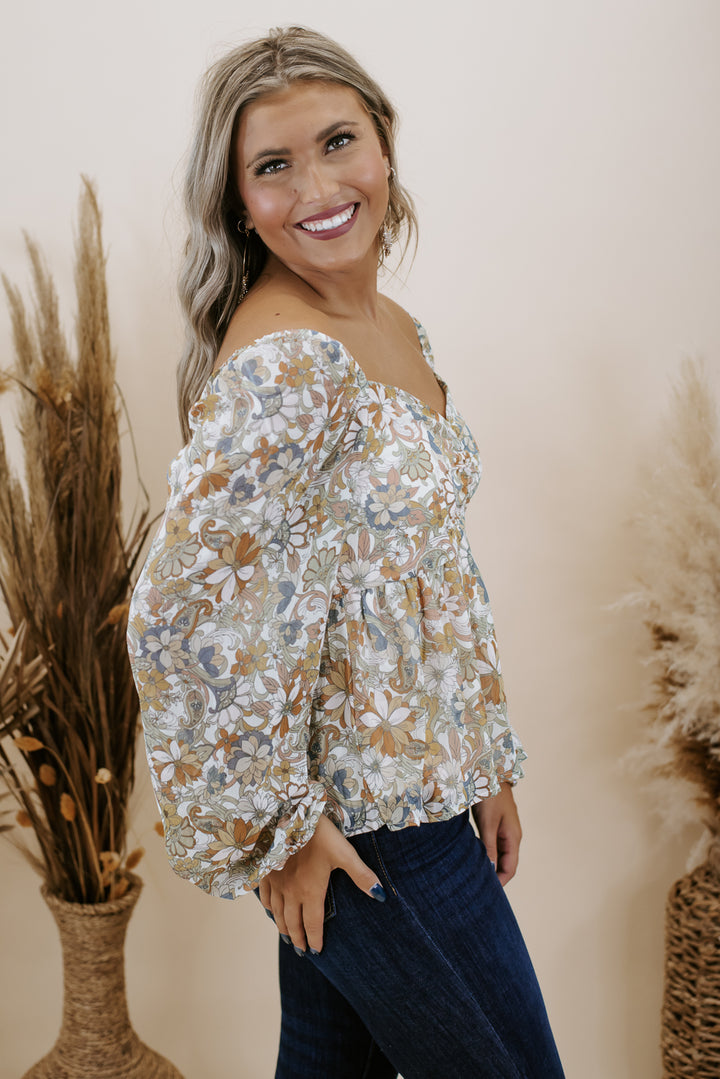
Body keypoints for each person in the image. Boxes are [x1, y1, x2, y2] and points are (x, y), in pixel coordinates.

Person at [127, 25, 565, 1079]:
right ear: (239, 201)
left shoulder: (392, 324)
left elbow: (428, 575)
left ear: (384, 146)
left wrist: (482, 763)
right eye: (273, 165)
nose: (317, 188)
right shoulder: (287, 363)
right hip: (370, 831)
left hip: (425, 794)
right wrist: (275, 828)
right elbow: (179, 617)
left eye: (337, 142)